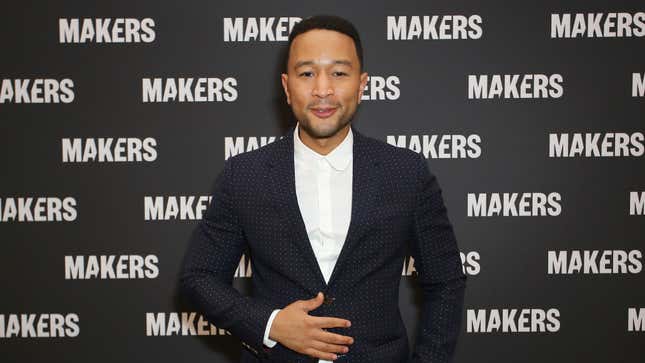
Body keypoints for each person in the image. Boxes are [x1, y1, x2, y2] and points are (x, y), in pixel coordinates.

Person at [180, 15, 466, 363]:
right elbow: (200, 277)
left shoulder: (406, 173)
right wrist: (271, 325)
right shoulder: (246, 174)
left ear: (362, 84)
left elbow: (446, 281)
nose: (323, 89)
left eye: (339, 73)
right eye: (307, 73)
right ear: (287, 87)